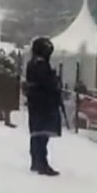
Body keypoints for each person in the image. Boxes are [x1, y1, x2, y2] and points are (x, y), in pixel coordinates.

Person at [25, 37, 61, 176]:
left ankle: (37, 162)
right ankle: (41, 163)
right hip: (43, 104)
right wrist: (54, 80)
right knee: (41, 135)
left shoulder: (33, 64)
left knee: (38, 135)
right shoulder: (40, 65)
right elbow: (47, 83)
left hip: (37, 103)